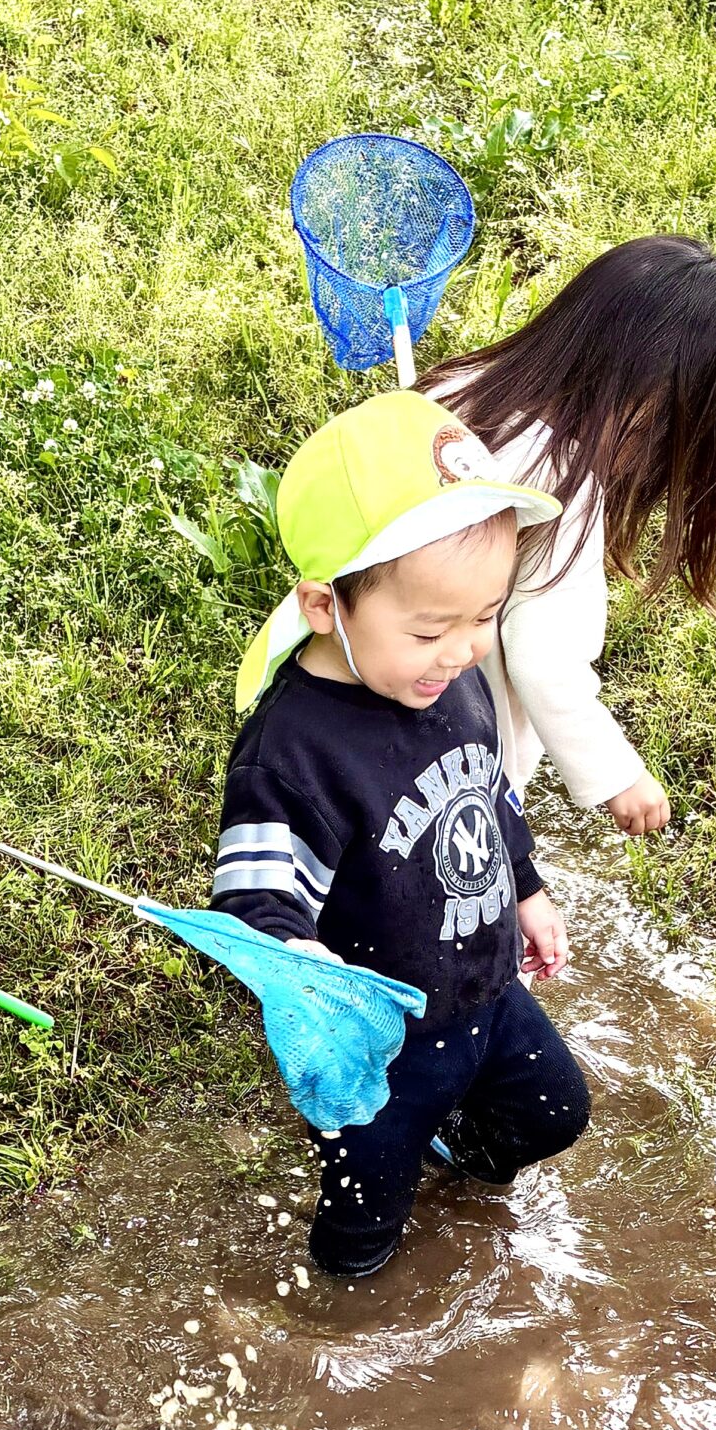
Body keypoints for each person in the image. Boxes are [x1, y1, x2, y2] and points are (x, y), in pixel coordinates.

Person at [214, 391, 591, 1280]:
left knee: (555, 1111)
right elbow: (254, 899)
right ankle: (341, 1326)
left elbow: (489, 792)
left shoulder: (445, 679)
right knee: (362, 1226)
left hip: (485, 987)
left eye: (483, 616)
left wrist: (527, 888)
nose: (462, 649)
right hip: (382, 1037)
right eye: (430, 627)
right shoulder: (294, 755)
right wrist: (307, 959)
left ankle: (451, 1150)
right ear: (324, 605)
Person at [421, 236, 716, 838]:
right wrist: (617, 774)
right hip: (452, 769)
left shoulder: (453, 390)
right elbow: (541, 656)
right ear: (657, 407)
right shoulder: (561, 480)